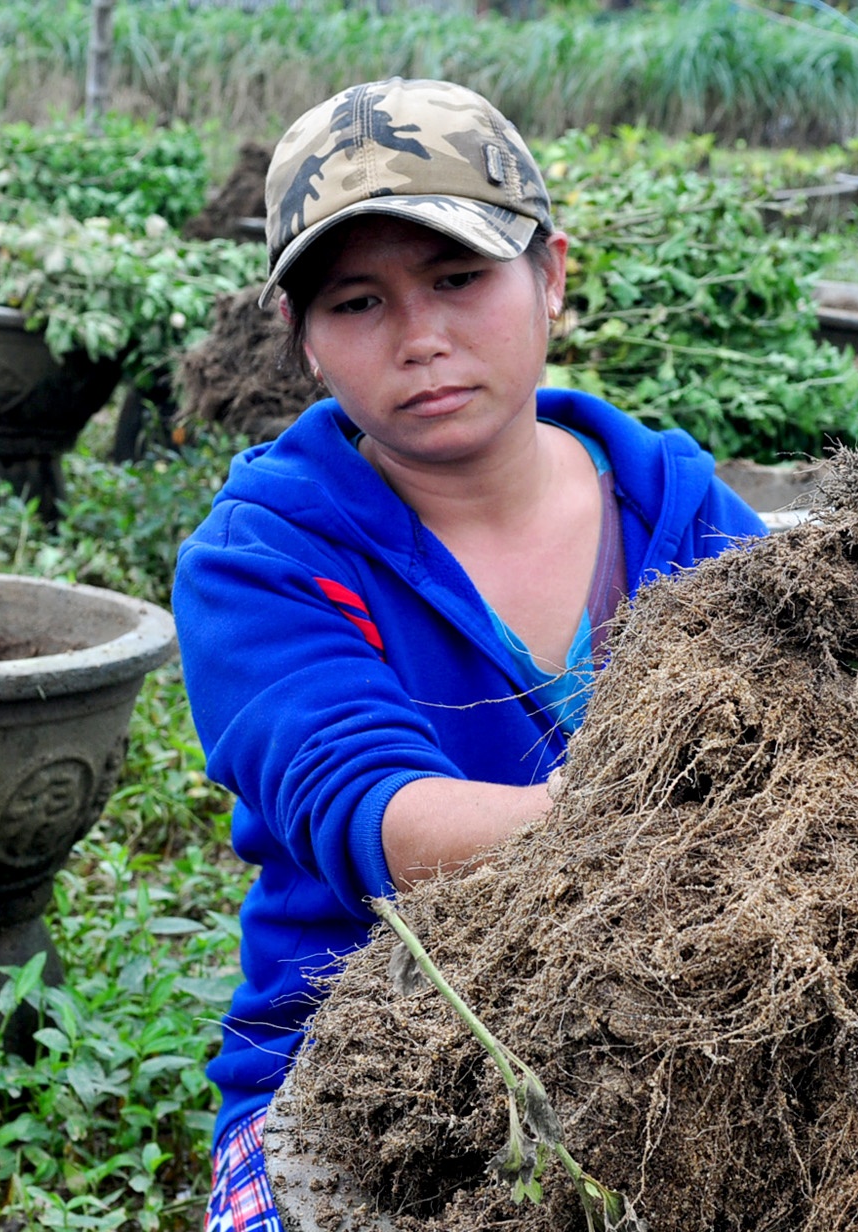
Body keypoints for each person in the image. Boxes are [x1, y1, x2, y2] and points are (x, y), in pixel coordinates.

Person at [174, 78, 766, 1232]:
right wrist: (672, 814)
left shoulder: (680, 512)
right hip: (380, 1059)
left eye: (458, 277)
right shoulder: (263, 558)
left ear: (549, 274)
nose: (422, 337)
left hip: (696, 1027)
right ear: (300, 337)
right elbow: (381, 818)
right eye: (358, 301)